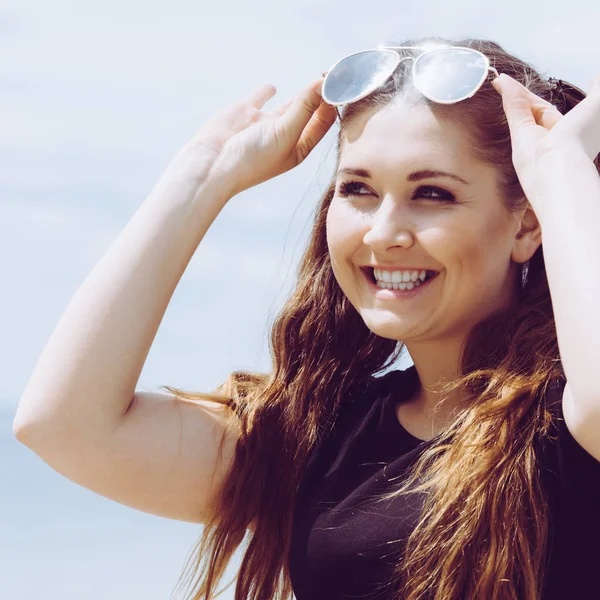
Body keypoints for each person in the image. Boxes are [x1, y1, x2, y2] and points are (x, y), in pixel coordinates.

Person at [12, 35, 600, 600]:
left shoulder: (569, 423)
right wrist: (202, 176)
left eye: (433, 195)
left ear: (527, 223)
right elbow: (65, 426)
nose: (383, 232)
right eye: (358, 189)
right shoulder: (323, 437)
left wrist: (565, 174)